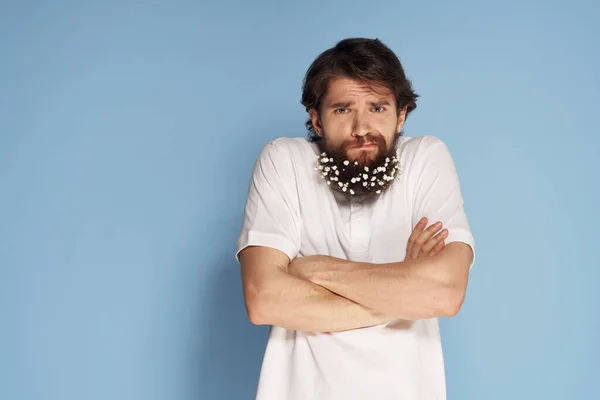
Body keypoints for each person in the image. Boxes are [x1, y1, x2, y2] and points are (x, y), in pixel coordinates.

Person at [235, 37, 476, 400]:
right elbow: (264, 299)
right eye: (343, 109)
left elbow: (445, 292)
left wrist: (313, 269)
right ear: (316, 119)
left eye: (378, 108)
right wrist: (404, 289)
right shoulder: (283, 160)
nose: (362, 127)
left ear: (401, 115)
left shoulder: (426, 157)